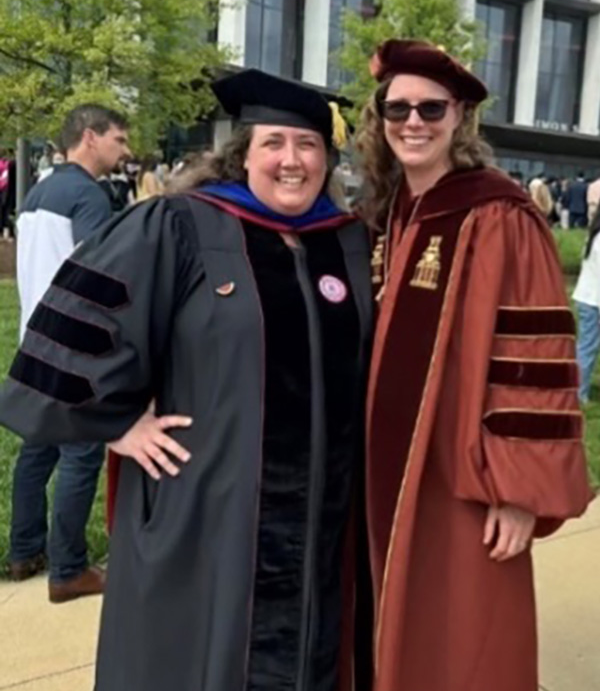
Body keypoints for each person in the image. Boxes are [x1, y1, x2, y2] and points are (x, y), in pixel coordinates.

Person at [0, 70, 373, 691]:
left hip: (321, 516)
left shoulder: (349, 243)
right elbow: (76, 327)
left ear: (327, 160)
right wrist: (115, 423)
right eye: (274, 143)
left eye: (308, 146)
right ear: (243, 154)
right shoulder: (180, 226)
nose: (291, 160)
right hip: (206, 508)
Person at [358, 39, 592, 691]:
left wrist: (520, 492)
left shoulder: (499, 216)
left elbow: (535, 360)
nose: (413, 122)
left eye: (430, 109)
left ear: (459, 116)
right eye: (396, 107)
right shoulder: (387, 214)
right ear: (378, 117)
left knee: (464, 638)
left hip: (464, 475)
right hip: (382, 475)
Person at [6, 104, 132, 604]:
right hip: (75, 344)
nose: (126, 150)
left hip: (33, 338)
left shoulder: (39, 189)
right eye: (118, 139)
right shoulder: (88, 195)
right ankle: (69, 568)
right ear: (89, 136)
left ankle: (24, 552)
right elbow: (101, 276)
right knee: (81, 453)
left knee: (36, 451)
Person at [573, 205, 600, 403]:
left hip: (586, 297)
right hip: (594, 300)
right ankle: (578, 393)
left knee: (585, 347)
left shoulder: (593, 236)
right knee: (587, 347)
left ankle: (577, 390)